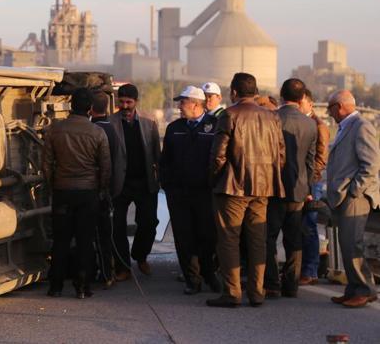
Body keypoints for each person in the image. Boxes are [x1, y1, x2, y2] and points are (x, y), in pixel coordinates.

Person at [206, 72, 285, 308]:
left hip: (233, 187)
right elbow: (281, 155)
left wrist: (213, 179)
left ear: (233, 92)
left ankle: (232, 293)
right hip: (262, 187)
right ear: (255, 91)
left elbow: (218, 154)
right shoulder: (272, 117)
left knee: (229, 239)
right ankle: (257, 292)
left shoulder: (230, 114)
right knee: (257, 240)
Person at [43, 88, 111, 299]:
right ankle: (82, 287)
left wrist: (52, 185)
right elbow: (106, 166)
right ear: (90, 108)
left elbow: (46, 164)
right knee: (84, 240)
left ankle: (55, 286)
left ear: (71, 106)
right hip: (87, 193)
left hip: (62, 191)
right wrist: (102, 190)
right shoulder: (97, 133)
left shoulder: (55, 130)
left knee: (61, 240)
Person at [159, 86, 220, 295]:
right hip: (179, 194)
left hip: (205, 193)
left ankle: (209, 274)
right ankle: (192, 279)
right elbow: (164, 160)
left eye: (182, 102)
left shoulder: (215, 127)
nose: (179, 106)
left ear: (195, 104)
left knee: (207, 236)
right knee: (184, 238)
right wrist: (167, 184)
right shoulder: (174, 128)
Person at [325, 90, 379, 308]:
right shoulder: (345, 126)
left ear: (339, 106)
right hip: (343, 196)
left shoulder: (361, 126)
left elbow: (371, 165)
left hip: (354, 197)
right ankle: (353, 289)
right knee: (346, 245)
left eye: (330, 109)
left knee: (352, 245)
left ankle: (365, 290)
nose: (329, 114)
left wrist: (355, 191)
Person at [264, 79, 317, 299]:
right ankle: (291, 285)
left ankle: (272, 283)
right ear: (302, 97)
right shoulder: (310, 124)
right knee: (294, 239)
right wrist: (308, 188)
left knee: (268, 237)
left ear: (281, 95)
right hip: (298, 189)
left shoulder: (271, 119)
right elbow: (310, 162)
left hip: (273, 189)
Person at [109, 84, 161, 278]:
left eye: (128, 102)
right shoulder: (110, 122)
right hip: (120, 184)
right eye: (121, 102)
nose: (124, 106)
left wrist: (160, 179)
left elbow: (157, 154)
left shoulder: (149, 122)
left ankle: (140, 256)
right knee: (117, 226)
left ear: (136, 102)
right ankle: (123, 267)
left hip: (144, 182)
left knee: (149, 222)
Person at [90, 89, 122, 288]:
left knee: (96, 234)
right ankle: (108, 273)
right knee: (105, 234)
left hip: (95, 189)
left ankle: (102, 273)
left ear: (91, 108)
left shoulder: (94, 130)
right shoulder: (112, 129)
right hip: (108, 189)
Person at [298, 89, 329, 285]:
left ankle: (310, 270)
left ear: (310, 103)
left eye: (300, 103)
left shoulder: (318, 126)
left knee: (309, 226)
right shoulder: (302, 122)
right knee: (300, 226)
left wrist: (310, 180)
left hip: (311, 182)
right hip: (300, 180)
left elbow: (321, 158)